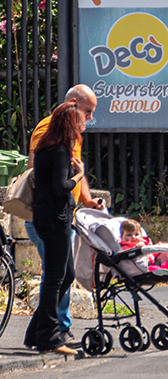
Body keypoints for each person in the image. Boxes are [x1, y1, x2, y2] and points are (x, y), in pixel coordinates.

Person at [25, 84, 98, 342]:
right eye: (87, 111)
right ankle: (55, 330)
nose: (90, 118)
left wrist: (87, 200)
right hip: (50, 215)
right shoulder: (51, 132)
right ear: (73, 105)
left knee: (62, 274)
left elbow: (74, 168)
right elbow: (43, 173)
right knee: (57, 274)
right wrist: (75, 178)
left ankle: (40, 329)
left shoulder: (69, 137)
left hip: (61, 214)